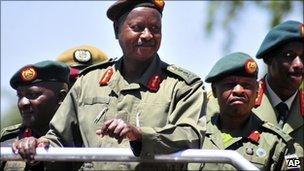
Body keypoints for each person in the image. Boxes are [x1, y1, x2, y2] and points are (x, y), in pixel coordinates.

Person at [12, 0, 206, 170]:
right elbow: (60, 138)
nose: (147, 35)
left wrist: (140, 135)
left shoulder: (183, 86)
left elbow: (190, 136)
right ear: (116, 31)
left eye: (155, 29)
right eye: (137, 27)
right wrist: (38, 144)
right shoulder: (88, 82)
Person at [188, 52, 293, 170]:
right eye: (230, 84)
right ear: (214, 89)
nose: (238, 90)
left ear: (257, 90)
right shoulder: (193, 135)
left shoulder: (277, 143)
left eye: (246, 85)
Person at [0, 60, 70, 170]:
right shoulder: (7, 140)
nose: (23, 103)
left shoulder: (79, 137)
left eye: (32, 94)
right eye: (19, 96)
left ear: (61, 98)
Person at [253, 20, 303, 165]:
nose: (298, 64)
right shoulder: (234, 105)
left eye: (303, 57)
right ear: (268, 58)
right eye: (289, 55)